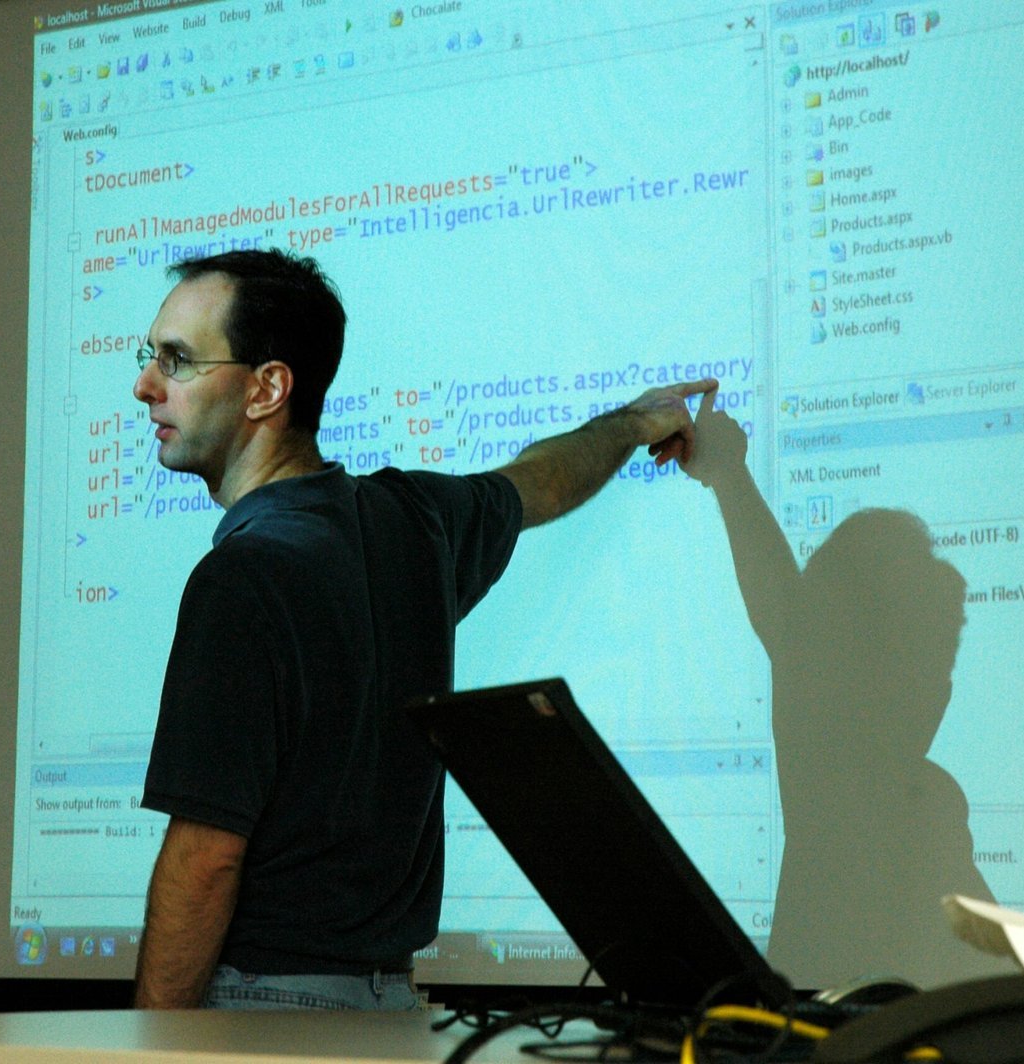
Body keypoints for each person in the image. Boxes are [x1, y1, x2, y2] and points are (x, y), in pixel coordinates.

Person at [129, 248, 715, 1009]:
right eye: (151, 357)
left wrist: (149, 1044)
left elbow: (206, 857)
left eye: (175, 361)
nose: (145, 385)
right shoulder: (416, 525)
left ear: (267, 388)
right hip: (390, 1009)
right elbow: (539, 480)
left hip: (258, 1009)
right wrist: (636, 423)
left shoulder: (243, 577)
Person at [684, 395, 1005, 989]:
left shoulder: (927, 804)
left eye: (947, 661)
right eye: (931, 656)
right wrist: (728, 475)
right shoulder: (845, 777)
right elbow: (785, 604)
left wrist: (729, 474)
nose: (942, 690)